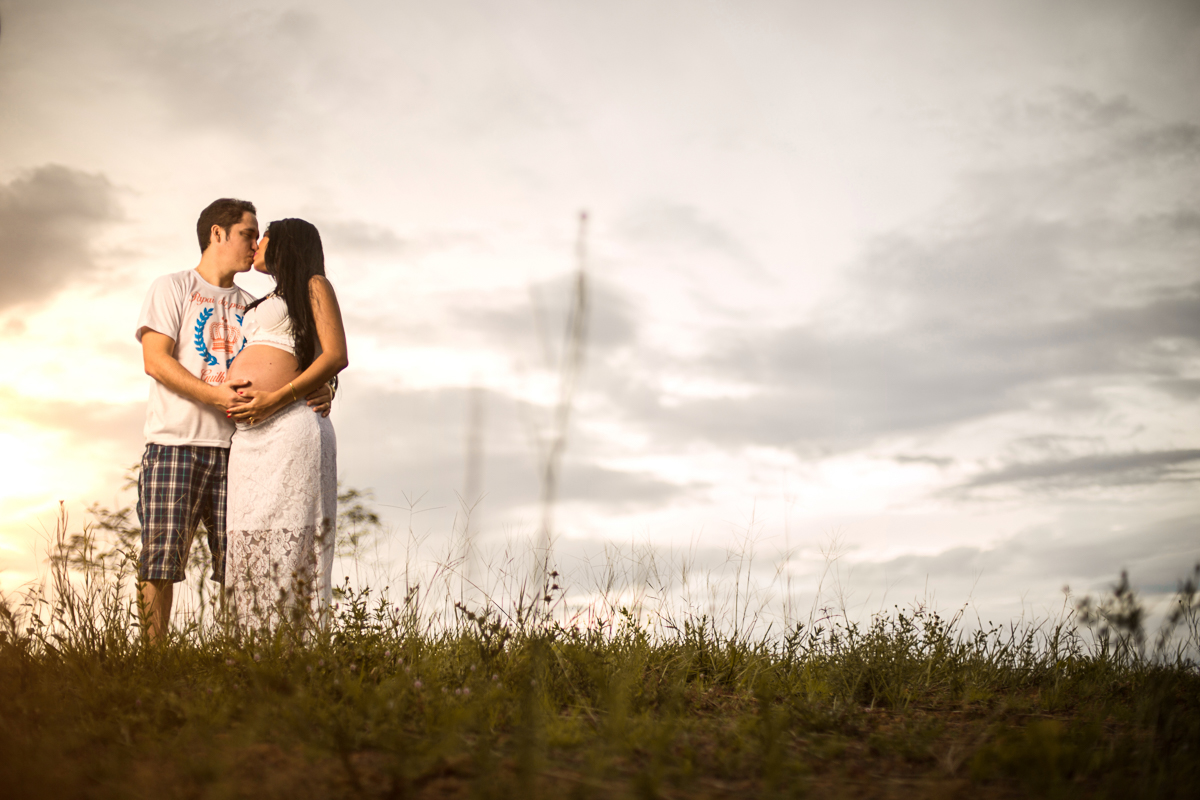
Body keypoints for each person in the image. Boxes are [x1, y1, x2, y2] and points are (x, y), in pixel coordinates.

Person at [135, 199, 331, 643]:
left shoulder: (253, 304)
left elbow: (301, 349)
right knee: (161, 560)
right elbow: (155, 361)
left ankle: (238, 654)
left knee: (240, 563)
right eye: (248, 233)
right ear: (217, 233)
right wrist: (216, 395)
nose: (255, 244)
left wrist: (326, 386)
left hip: (241, 447)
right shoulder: (173, 287)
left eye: (258, 236)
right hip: (176, 441)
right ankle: (151, 660)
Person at [223, 218, 349, 627]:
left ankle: (295, 644)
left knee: (293, 534)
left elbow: (335, 355)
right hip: (249, 437)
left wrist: (274, 399)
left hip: (291, 424)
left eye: (264, 237)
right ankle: (253, 644)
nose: (256, 245)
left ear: (285, 244)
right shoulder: (269, 298)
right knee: (248, 536)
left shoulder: (314, 285)